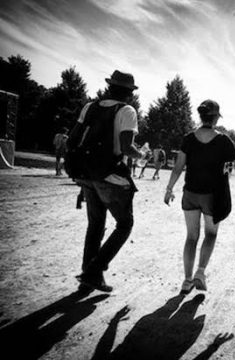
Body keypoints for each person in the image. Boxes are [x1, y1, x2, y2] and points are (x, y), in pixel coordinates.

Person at [164, 99, 235, 294]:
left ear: (201, 116)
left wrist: (169, 188)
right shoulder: (223, 140)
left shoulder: (188, 138)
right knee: (211, 234)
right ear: (215, 118)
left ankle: (187, 281)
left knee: (191, 237)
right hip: (212, 196)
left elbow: (178, 167)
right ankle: (201, 272)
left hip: (190, 193)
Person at [69, 70, 145, 292]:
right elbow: (126, 148)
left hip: (85, 173)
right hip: (107, 174)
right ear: (129, 93)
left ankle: (89, 276)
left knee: (95, 225)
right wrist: (141, 155)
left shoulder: (89, 107)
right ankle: (94, 270)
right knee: (124, 224)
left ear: (109, 87)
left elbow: (73, 138)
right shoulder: (127, 110)